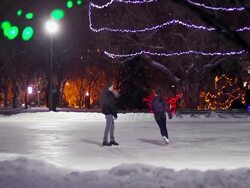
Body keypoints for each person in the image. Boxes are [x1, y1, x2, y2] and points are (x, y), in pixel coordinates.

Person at [101, 82, 119, 146]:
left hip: (108, 112)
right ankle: (105, 141)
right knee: (108, 127)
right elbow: (111, 105)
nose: (113, 87)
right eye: (112, 86)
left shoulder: (106, 93)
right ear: (109, 87)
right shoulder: (109, 94)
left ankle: (112, 140)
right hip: (109, 112)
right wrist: (115, 114)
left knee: (112, 127)